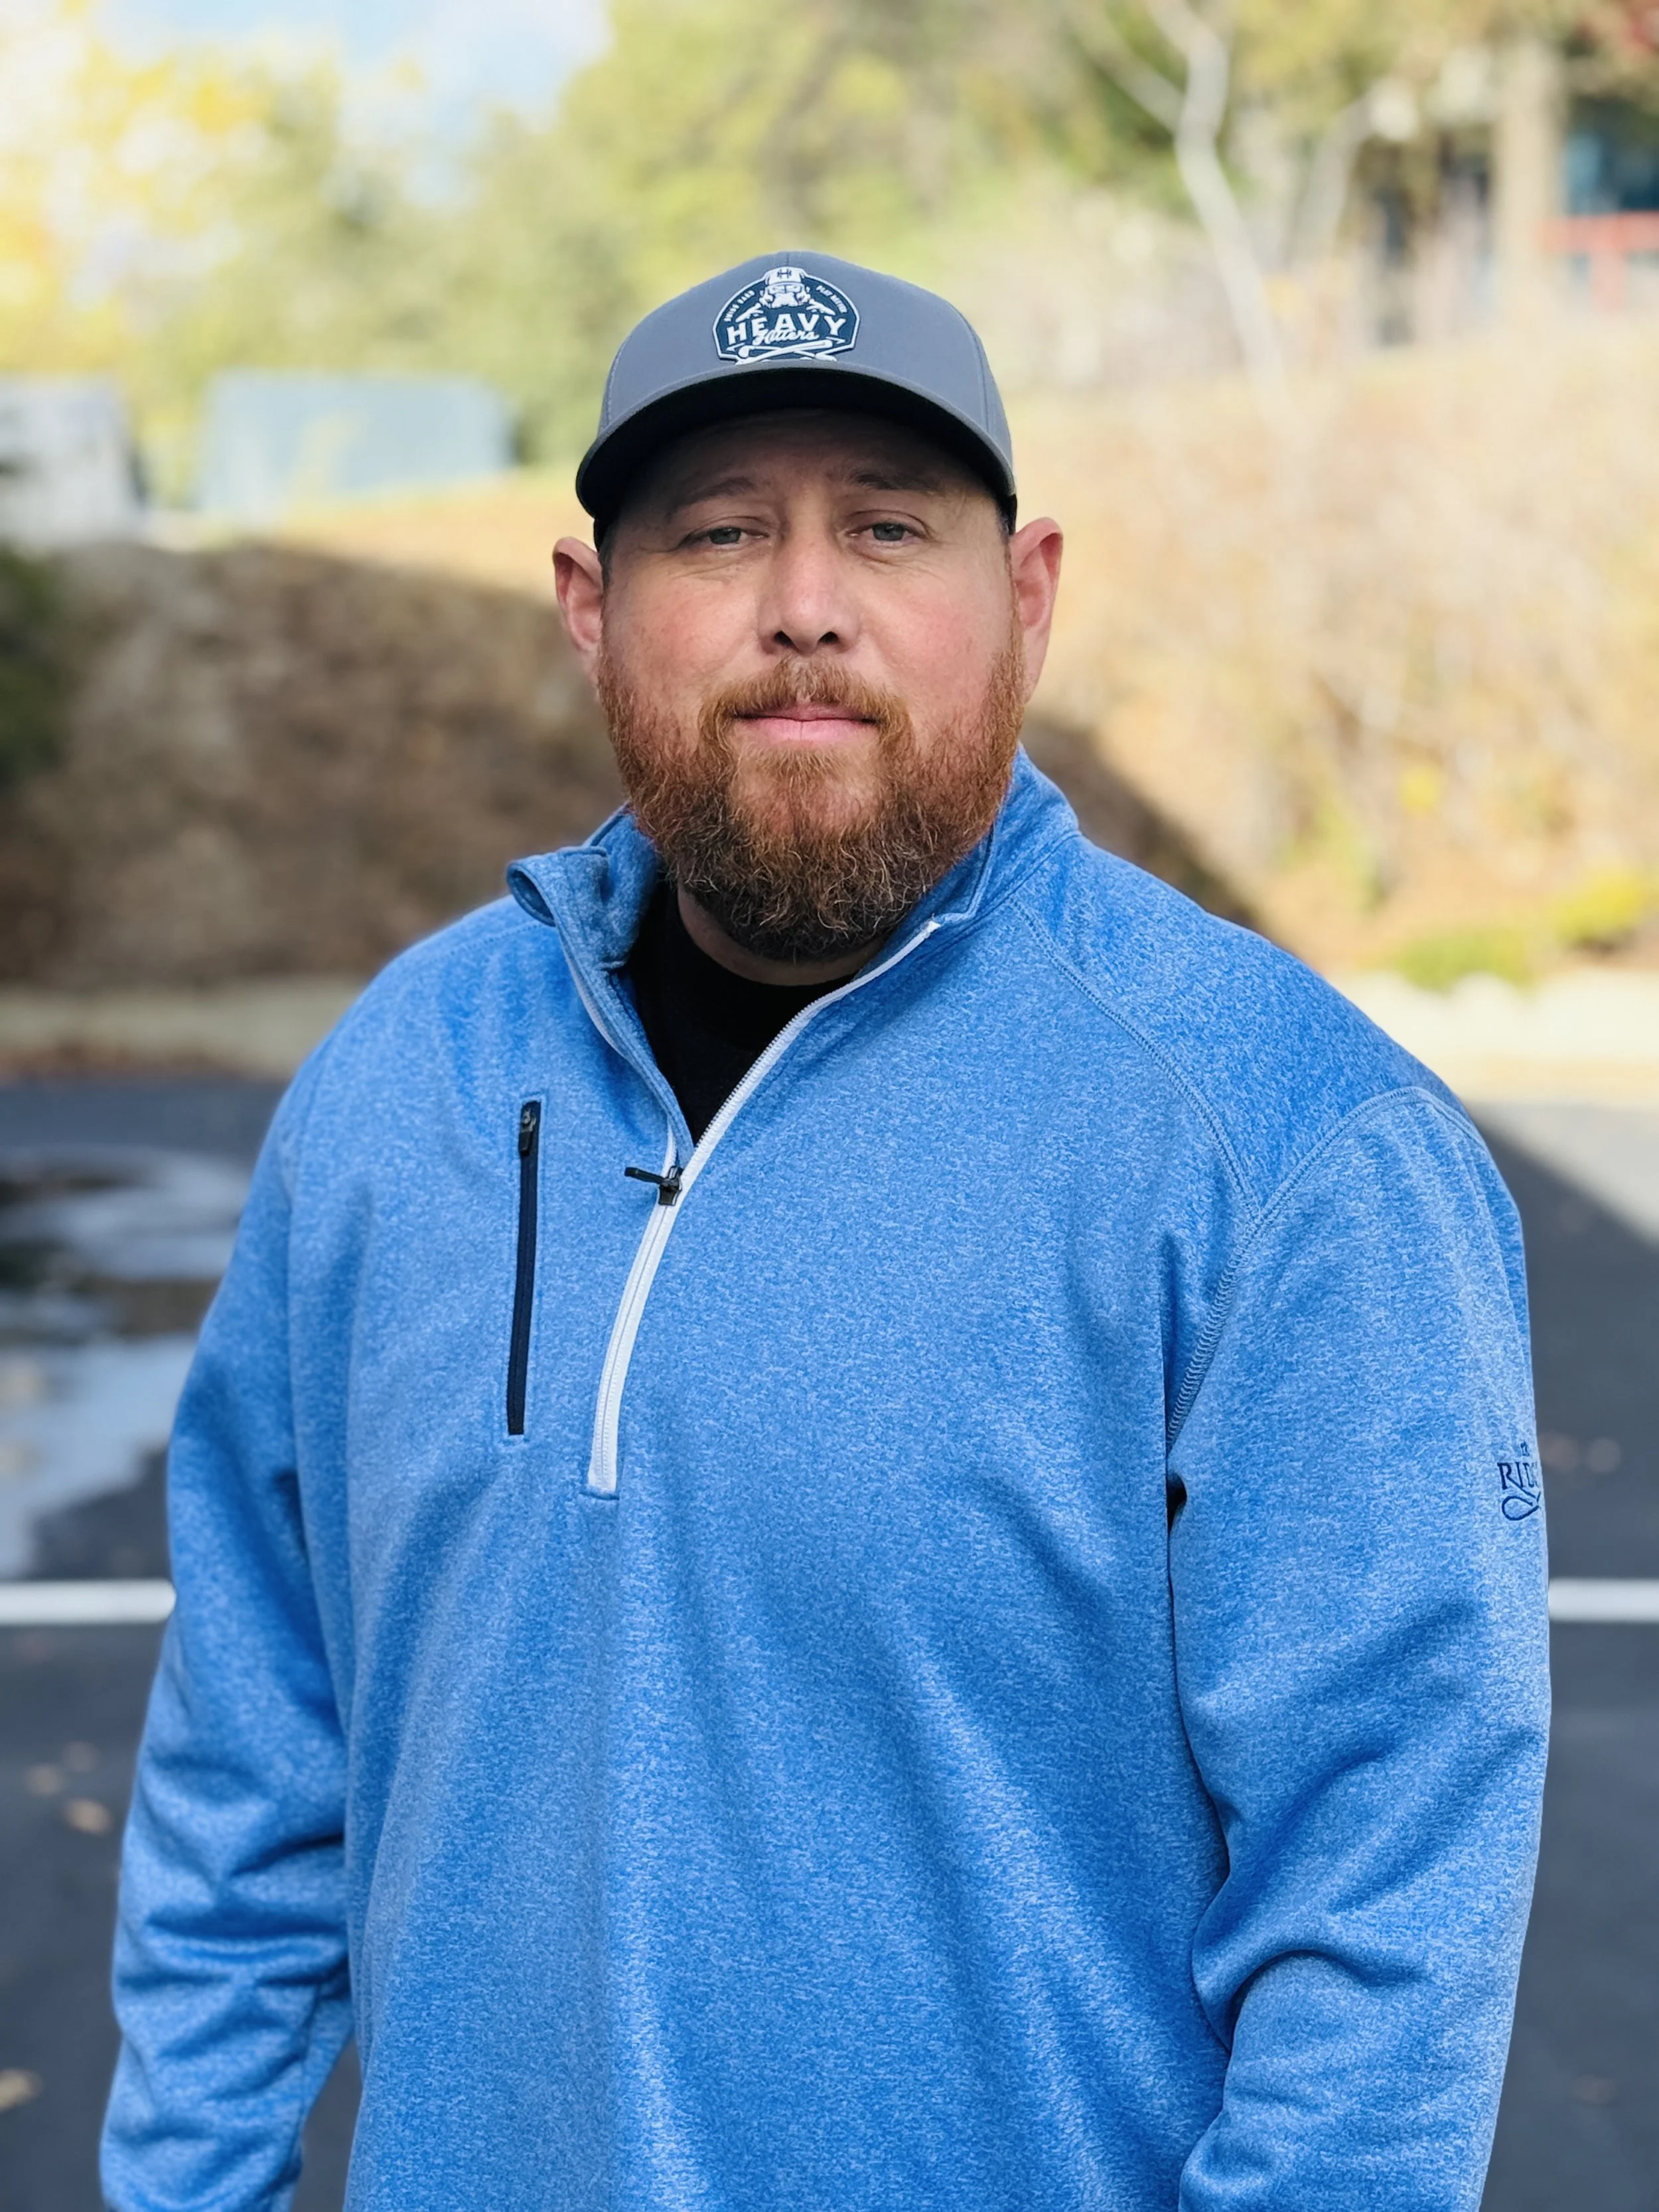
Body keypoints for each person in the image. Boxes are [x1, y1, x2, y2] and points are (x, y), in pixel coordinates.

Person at [104, 253, 1550, 2212]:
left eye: (886, 525)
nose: (804, 603)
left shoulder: (1288, 1147)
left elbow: (1384, 1917)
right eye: (719, 532)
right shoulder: (399, 1085)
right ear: (590, 608)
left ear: (1023, 597)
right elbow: (249, 1756)